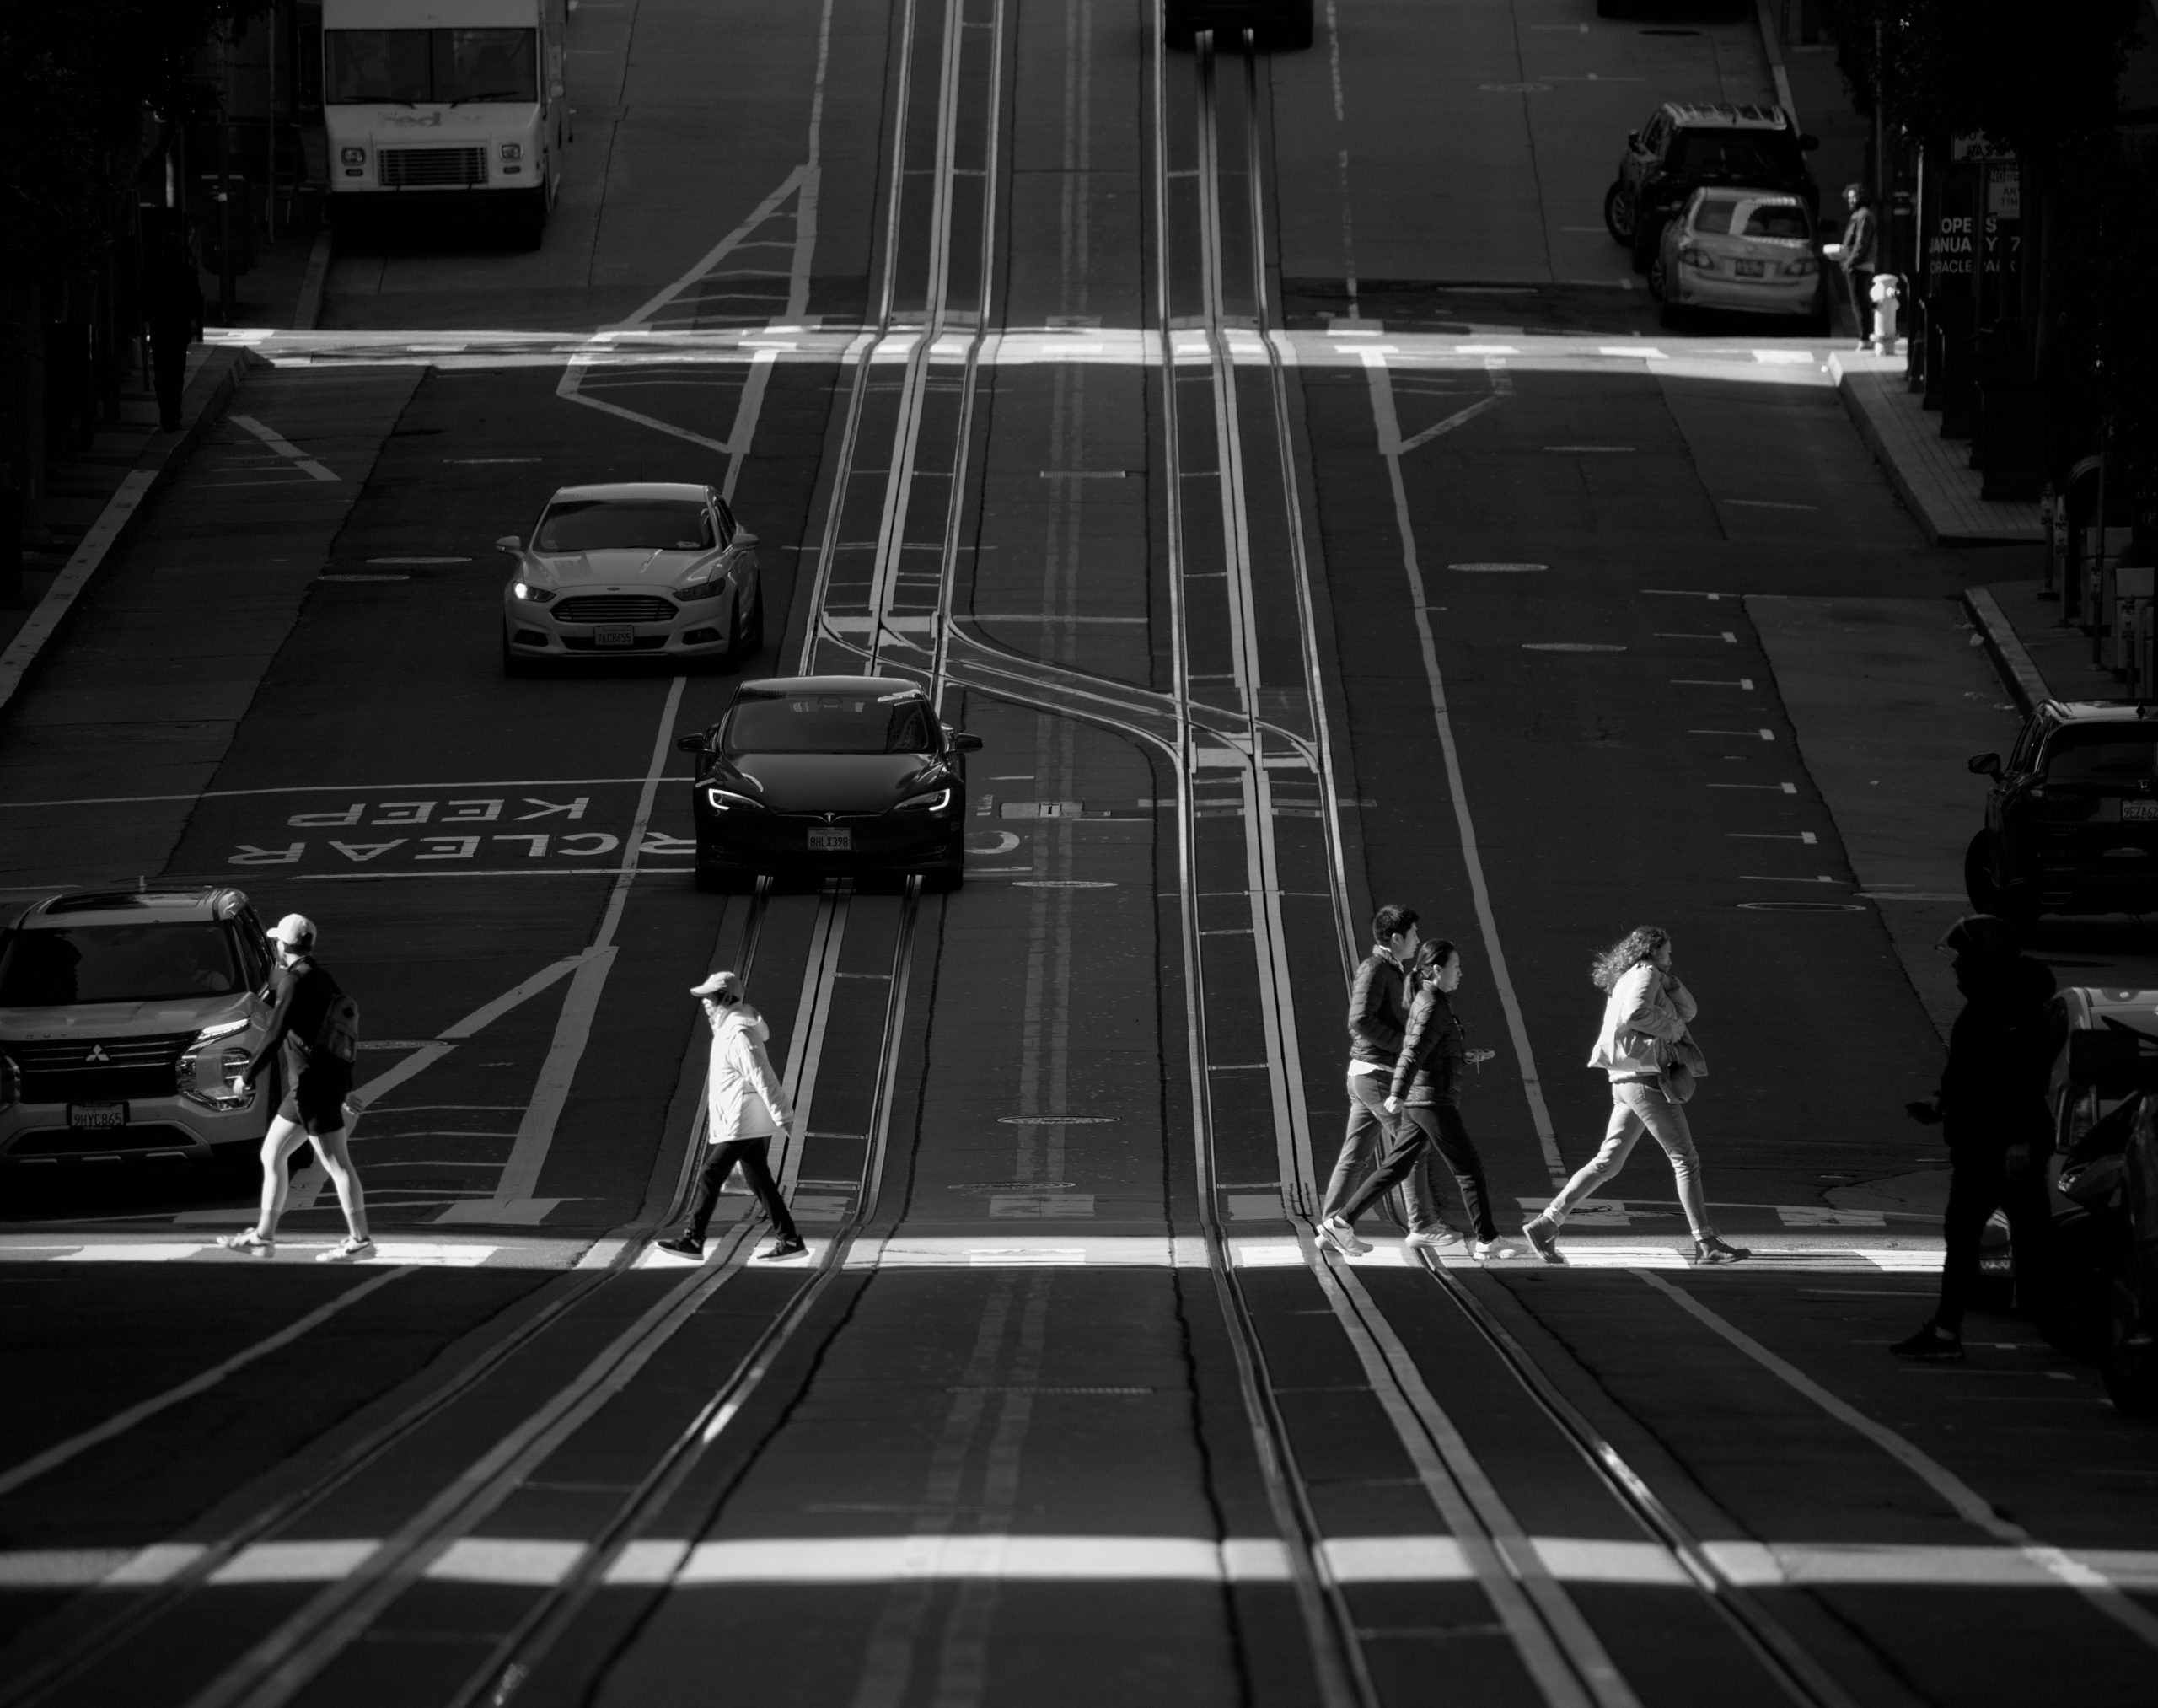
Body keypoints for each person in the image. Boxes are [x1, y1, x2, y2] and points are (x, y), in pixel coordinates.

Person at [1520, 927, 1750, 1267]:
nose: (1670, 959)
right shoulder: (1645, 973)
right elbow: (1638, 1014)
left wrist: (1671, 984)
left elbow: (1688, 1011)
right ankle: (1706, 1242)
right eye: (1667, 952)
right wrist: (1670, 1028)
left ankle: (1546, 1223)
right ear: (1652, 951)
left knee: (1608, 1162)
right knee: (1685, 1159)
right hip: (1645, 1079)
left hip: (1626, 1080)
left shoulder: (1635, 976)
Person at [1892, 915, 2062, 1362]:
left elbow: (2020, 1081)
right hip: (1991, 1141)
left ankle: (1951, 1334)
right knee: (2021, 1237)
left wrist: (2018, 1141)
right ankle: (2063, 1325)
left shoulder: (2008, 1011)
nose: (1956, 968)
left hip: (1997, 1146)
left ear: (1984, 959)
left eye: (1964, 958)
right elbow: (1980, 1075)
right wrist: (1942, 1102)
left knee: (1975, 1236)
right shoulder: (1999, 1004)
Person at [1318, 940, 1511, 1260]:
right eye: (1456, 967)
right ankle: (1486, 1239)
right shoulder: (1432, 1004)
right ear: (1436, 970)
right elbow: (1412, 1051)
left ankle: (1340, 1222)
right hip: (1430, 1099)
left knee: (1396, 1166)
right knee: (1468, 1168)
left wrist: (1461, 1057)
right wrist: (1396, 1092)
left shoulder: (1430, 1000)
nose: (1461, 973)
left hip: (1425, 1095)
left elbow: (1429, 1049)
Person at [216, 915, 373, 1262]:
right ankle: (263, 1236)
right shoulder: (323, 979)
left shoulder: (293, 983)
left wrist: (247, 1075)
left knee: (337, 1163)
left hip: (311, 1088)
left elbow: (274, 1033)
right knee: (273, 1154)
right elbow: (340, 1036)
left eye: (276, 943)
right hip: (310, 1086)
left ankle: (360, 1240)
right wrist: (344, 1087)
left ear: (282, 946)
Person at [1319, 903, 1452, 1249]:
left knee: (1355, 1155)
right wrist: (1402, 1046)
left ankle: (1333, 1228)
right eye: (1413, 935)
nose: (1417, 940)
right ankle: (1422, 1225)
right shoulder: (1376, 968)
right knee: (1412, 1148)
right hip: (1377, 1072)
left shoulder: (1391, 969)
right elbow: (1359, 1020)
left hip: (1367, 1073)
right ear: (1395, 938)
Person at [658, 969, 808, 1261]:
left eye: (709, 997)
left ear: (726, 998)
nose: (704, 1002)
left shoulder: (738, 1033)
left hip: (744, 1120)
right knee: (759, 1180)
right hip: (745, 1117)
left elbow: (761, 1074)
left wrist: (783, 1114)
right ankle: (789, 1240)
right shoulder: (729, 1028)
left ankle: (694, 1240)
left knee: (711, 1174)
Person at [140, 221, 204, 433]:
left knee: (162, 375)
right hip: (178, 331)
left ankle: (165, 414)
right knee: (176, 376)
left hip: (160, 331)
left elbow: (145, 303)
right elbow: (197, 303)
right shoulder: (187, 272)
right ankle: (173, 415)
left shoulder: (154, 272)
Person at [1834, 184, 1877, 346]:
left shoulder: (1863, 215)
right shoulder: (1860, 215)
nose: (1851, 200)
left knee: (1860, 304)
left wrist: (1849, 262)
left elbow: (1861, 243)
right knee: (1860, 303)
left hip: (1860, 266)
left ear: (1862, 198)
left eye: (1855, 196)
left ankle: (1865, 338)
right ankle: (1866, 336)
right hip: (1859, 264)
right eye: (1849, 197)